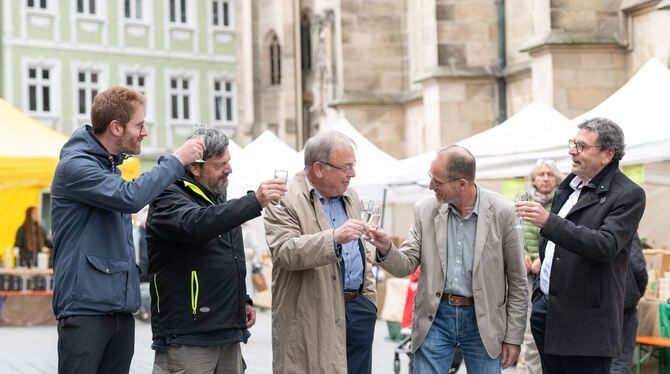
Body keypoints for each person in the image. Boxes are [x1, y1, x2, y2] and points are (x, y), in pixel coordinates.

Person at [50, 86, 204, 373]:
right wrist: (176, 160)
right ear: (116, 127)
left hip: (118, 308)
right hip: (86, 311)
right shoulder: (76, 167)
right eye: (140, 125)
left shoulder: (110, 169)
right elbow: (130, 197)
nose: (145, 132)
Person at [367, 145, 527, 373]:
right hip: (435, 316)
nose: (431, 186)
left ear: (461, 183)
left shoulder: (504, 211)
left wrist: (514, 336)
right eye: (430, 178)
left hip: (484, 320)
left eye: (437, 181)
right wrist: (385, 247)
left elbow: (518, 281)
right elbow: (406, 265)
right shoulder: (425, 210)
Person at [145, 129, 285, 373]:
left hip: (227, 332)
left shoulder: (217, 196)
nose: (229, 169)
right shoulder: (167, 194)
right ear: (196, 168)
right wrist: (254, 202)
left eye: (229, 161)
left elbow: (228, 255)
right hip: (188, 335)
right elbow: (196, 224)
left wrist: (242, 300)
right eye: (220, 164)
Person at [517, 117, 646, 374]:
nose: (571, 151)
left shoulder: (628, 194)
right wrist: (539, 296)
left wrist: (549, 222)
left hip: (586, 325)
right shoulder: (568, 187)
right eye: (572, 143)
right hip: (548, 312)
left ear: (608, 154)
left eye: (581, 146)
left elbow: (605, 244)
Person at [264, 131, 377, 373]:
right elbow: (285, 251)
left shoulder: (351, 195)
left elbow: (360, 249)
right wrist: (334, 238)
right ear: (318, 168)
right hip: (312, 312)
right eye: (346, 167)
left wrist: (368, 300)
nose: (353, 174)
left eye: (353, 165)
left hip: (357, 307)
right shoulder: (282, 198)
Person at [517, 160, 562, 374]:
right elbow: (514, 235)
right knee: (530, 331)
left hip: (554, 275)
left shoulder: (563, 202)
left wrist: (542, 261)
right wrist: (522, 255)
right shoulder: (523, 203)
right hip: (527, 277)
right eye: (541, 174)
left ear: (557, 179)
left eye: (550, 174)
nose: (545, 178)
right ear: (533, 179)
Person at [610, 232, 647, 373]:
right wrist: (638, 291)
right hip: (623, 298)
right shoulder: (625, 218)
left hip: (591, 300)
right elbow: (637, 265)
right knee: (620, 361)